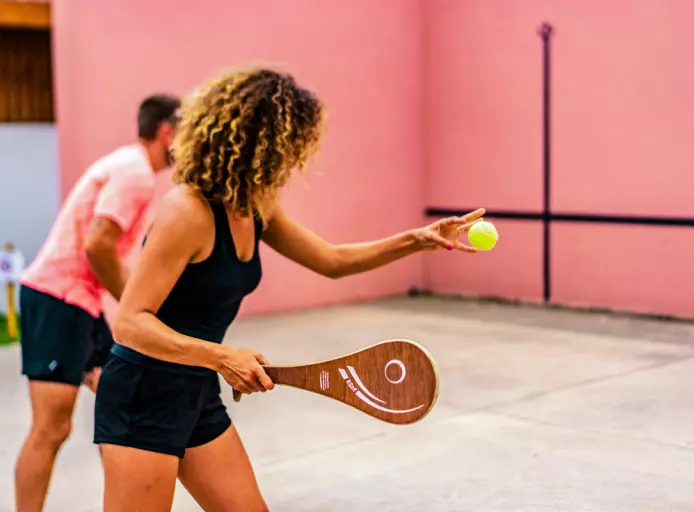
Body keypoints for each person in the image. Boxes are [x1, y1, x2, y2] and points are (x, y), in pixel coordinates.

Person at [94, 67, 484, 512]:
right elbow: (131, 323)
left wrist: (417, 239)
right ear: (258, 144)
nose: (293, 161)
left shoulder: (255, 206)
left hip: (195, 389)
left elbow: (332, 261)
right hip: (142, 393)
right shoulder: (187, 212)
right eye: (289, 146)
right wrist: (223, 357)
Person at [15, 93, 181, 512]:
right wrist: (135, 305)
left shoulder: (129, 165)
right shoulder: (135, 173)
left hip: (81, 303)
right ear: (166, 132)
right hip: (58, 298)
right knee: (51, 429)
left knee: (122, 408)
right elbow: (98, 245)